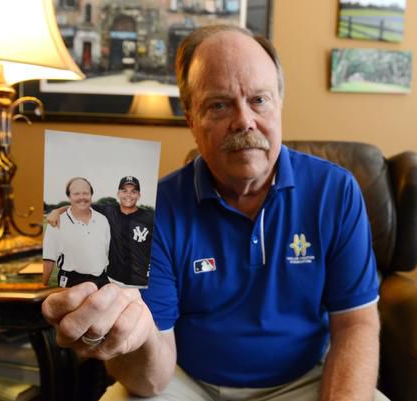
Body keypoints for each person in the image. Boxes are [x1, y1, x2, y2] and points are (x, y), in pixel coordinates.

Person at [42, 25, 387, 401]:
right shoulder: (154, 211)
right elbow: (152, 382)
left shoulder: (335, 192)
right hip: (189, 382)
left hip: (303, 382)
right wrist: (132, 339)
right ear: (191, 118)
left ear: (280, 103)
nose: (244, 120)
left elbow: (356, 324)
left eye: (259, 99)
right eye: (219, 105)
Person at [47, 176, 154, 287]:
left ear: (139, 195)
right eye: (124, 191)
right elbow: (79, 205)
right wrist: (57, 211)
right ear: (118, 194)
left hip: (141, 282)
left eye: (133, 191)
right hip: (113, 280)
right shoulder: (108, 211)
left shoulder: (150, 219)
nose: (128, 195)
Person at [42, 177, 111, 288]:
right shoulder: (57, 222)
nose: (82, 197)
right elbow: (48, 259)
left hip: (101, 279)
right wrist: (42, 286)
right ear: (69, 196)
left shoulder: (102, 219)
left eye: (85, 193)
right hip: (72, 280)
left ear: (91, 195)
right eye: (76, 194)